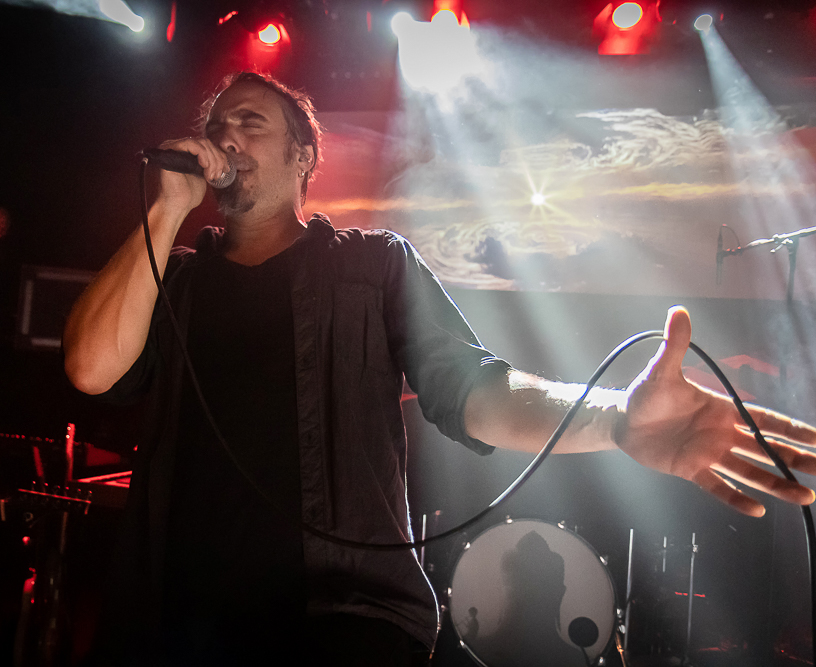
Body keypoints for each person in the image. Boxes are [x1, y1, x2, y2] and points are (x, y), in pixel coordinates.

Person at [62, 72, 816, 666]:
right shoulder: (174, 278)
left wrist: (613, 417)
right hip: (173, 622)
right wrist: (165, 211)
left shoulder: (372, 267)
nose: (227, 135)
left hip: (337, 623)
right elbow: (91, 370)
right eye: (217, 124)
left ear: (303, 157)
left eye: (251, 121)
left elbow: (476, 388)